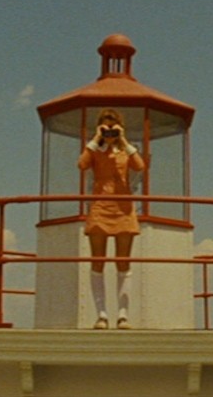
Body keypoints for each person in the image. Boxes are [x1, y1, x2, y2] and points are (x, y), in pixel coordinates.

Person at [77, 108, 145, 329]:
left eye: (112, 128)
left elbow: (140, 166)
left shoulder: (126, 150)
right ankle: (102, 315)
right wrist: (96, 139)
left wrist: (123, 140)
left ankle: (123, 315)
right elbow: (82, 164)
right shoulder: (95, 150)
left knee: (123, 262)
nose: (109, 133)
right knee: (98, 261)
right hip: (100, 207)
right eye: (105, 128)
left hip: (123, 208)